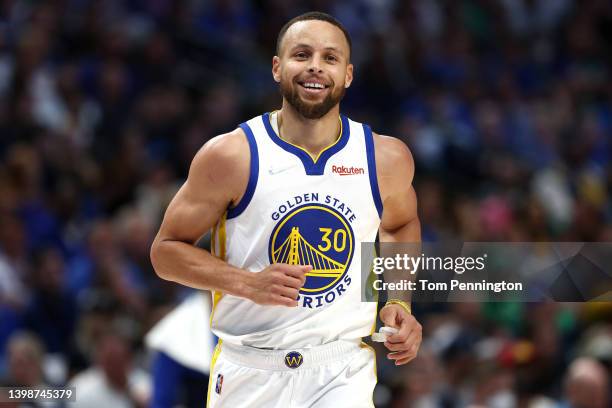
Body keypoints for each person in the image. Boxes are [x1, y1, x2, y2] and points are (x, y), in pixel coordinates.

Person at [150, 11, 422, 408]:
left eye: (330, 58)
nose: (315, 66)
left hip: (340, 369)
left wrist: (397, 300)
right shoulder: (230, 155)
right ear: (277, 68)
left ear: (348, 75)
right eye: (302, 54)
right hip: (249, 369)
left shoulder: (385, 157)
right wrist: (248, 283)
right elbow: (164, 252)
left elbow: (399, 225)